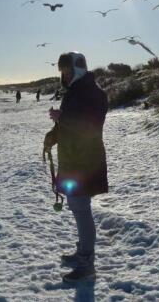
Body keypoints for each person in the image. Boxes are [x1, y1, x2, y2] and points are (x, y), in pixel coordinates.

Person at [43, 51, 108, 283]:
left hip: (86, 162)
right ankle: (82, 253)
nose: (65, 76)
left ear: (79, 69)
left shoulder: (95, 93)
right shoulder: (73, 92)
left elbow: (91, 127)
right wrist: (52, 137)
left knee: (82, 210)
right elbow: (68, 125)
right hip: (73, 160)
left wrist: (62, 117)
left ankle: (87, 264)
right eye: (62, 72)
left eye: (68, 71)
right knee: (77, 208)